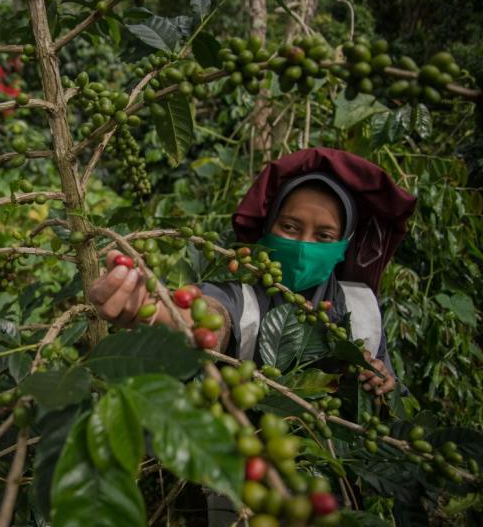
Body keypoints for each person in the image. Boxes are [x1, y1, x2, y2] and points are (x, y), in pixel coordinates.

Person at [90, 147, 417, 397]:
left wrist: (381, 385)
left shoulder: (361, 309)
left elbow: (391, 410)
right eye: (290, 226)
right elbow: (213, 314)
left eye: (324, 237)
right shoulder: (244, 299)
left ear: (344, 245)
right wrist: (156, 310)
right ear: (268, 227)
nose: (304, 245)